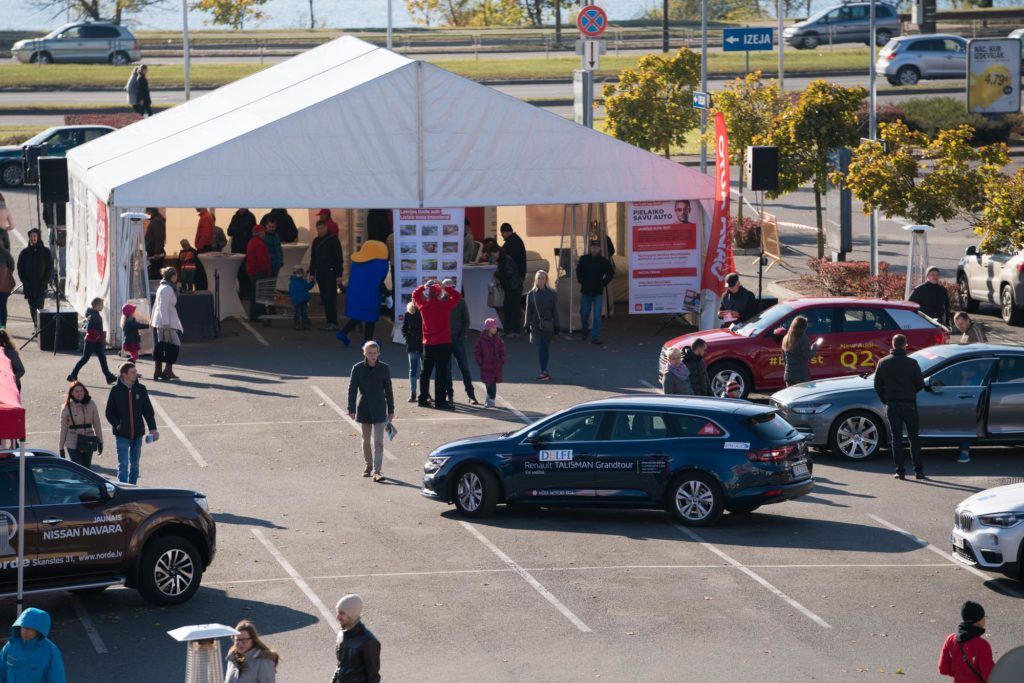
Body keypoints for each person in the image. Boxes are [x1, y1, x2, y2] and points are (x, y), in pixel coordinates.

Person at [874, 334, 926, 480]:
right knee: (913, 438)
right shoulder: (912, 363)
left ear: (892, 344)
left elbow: (877, 385)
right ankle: (919, 471)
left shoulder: (883, 363)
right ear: (905, 345)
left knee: (896, 438)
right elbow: (920, 385)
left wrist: (885, 399)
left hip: (892, 404)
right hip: (909, 404)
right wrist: (910, 392)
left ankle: (900, 471)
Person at [347, 342, 395, 482]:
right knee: (366, 440)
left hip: (380, 408)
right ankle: (368, 465)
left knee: (379, 442)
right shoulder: (357, 368)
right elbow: (352, 389)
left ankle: (377, 471)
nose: (373, 356)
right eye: (370, 353)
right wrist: (351, 409)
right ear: (365, 354)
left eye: (375, 353)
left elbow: (389, 391)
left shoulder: (384, 368)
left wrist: (391, 410)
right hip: (364, 408)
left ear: (378, 353)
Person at [413, 279, 462, 409]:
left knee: (425, 373)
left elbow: (415, 295)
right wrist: (446, 288)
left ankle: (422, 399)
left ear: (428, 295)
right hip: (443, 343)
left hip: (428, 344)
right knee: (440, 373)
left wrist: (423, 286)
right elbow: (458, 296)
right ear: (440, 295)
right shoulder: (444, 305)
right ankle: (440, 401)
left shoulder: (423, 306)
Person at [105, 362, 157, 485]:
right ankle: (123, 489)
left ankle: (132, 488)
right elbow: (109, 412)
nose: (136, 374)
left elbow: (148, 411)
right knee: (123, 465)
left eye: (135, 371)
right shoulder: (115, 390)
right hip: (122, 434)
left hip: (138, 434)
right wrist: (118, 425)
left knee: (135, 465)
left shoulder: (141, 389)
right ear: (124, 374)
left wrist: (153, 429)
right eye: (133, 372)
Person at [337, 241, 389, 346]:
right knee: (370, 318)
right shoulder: (379, 265)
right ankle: (367, 341)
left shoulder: (357, 264)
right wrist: (388, 294)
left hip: (355, 295)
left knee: (358, 315)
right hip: (370, 296)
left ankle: (343, 332)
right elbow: (379, 282)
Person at [0, 607, 66, 683]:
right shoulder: (10, 646)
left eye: (29, 628)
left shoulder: (51, 652)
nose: (25, 631)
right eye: (23, 627)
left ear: (39, 630)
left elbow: (57, 679)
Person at [939, 600, 994, 683]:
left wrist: (960, 675)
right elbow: (990, 675)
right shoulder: (982, 645)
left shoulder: (950, 639)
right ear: (978, 620)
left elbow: (943, 668)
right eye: (984, 617)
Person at [442, 278, 478, 405]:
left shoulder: (461, 301)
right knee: (446, 370)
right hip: (445, 341)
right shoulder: (440, 302)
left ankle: (471, 394)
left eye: (451, 286)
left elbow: (466, 321)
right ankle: (449, 395)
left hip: (457, 340)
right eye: (446, 287)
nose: (449, 289)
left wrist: (461, 337)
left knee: (464, 368)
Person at [67, 297, 116, 385]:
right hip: (91, 341)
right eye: (101, 305)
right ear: (97, 305)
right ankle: (72, 375)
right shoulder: (93, 315)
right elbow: (90, 329)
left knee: (102, 358)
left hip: (95, 342)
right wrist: (98, 336)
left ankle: (108, 376)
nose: (102, 307)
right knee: (85, 359)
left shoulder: (94, 314)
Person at [333, 594, 380, 683]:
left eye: (342, 613)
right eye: (337, 611)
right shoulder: (341, 635)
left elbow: (373, 677)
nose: (337, 617)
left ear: (352, 614)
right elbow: (339, 666)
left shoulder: (368, 641)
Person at [576, 239, 614, 345]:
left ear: (600, 249)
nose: (594, 249)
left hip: (598, 292)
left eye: (596, 248)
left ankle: (595, 337)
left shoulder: (604, 261)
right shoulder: (584, 259)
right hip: (586, 291)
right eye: (593, 247)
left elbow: (610, 273)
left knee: (597, 316)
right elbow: (578, 271)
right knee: (584, 313)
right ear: (590, 248)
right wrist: (581, 281)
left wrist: (603, 283)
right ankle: (584, 329)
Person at [59, 380, 103, 469]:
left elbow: (97, 424)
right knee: (79, 469)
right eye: (77, 391)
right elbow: (63, 428)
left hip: (88, 439)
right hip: (72, 441)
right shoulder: (66, 407)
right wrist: (61, 447)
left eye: (81, 391)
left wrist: (100, 441)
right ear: (72, 393)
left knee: (87, 469)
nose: (80, 393)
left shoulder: (92, 404)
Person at [524, 270, 559, 381]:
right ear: (535, 280)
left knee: (546, 348)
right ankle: (543, 371)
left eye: (543, 277)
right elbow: (528, 311)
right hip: (536, 325)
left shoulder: (552, 293)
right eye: (539, 278)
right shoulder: (531, 294)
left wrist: (557, 325)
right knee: (540, 348)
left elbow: (555, 311)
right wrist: (526, 325)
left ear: (546, 279)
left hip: (548, 325)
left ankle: (544, 370)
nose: (540, 280)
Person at [310, 219, 344, 331]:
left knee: (330, 298)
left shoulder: (333, 240)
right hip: (320, 273)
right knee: (324, 298)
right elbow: (313, 258)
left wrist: (339, 274)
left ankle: (333, 322)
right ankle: (329, 321)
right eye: (318, 229)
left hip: (330, 272)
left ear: (326, 227)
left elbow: (339, 258)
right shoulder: (315, 241)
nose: (320, 231)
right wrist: (312, 273)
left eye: (321, 228)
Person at [151, 267, 184, 381]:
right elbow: (162, 307)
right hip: (165, 321)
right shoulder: (167, 288)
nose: (176, 276)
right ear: (171, 276)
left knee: (162, 345)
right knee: (174, 344)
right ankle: (166, 370)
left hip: (163, 320)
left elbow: (156, 305)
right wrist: (165, 323)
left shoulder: (164, 286)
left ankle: (160, 370)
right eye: (175, 275)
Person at [16, 228, 52, 330]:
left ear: (38, 237)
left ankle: (39, 327)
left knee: (40, 307)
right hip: (29, 286)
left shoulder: (45, 252)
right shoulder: (25, 253)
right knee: (32, 308)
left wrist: (45, 281)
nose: (33, 238)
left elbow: (49, 267)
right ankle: (36, 325)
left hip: (41, 285)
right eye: (31, 236)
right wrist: (25, 282)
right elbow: (20, 268)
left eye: (35, 236)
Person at [499, 223, 526, 335]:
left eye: (502, 233)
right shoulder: (515, 241)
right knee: (511, 305)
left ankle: (515, 330)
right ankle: (511, 330)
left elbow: (509, 262)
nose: (502, 236)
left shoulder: (512, 243)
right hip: (516, 279)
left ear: (506, 231)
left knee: (512, 306)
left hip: (514, 280)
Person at [782, 315, 822, 387]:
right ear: (803, 327)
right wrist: (815, 346)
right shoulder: (803, 338)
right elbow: (808, 355)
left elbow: (784, 358)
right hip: (801, 376)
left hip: (789, 376)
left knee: (791, 397)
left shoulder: (786, 338)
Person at [474, 317, 505, 408]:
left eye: (495, 327)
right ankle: (489, 396)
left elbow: (502, 350)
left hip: (496, 365)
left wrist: (501, 360)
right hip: (486, 365)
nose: (495, 329)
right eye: (493, 327)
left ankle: (491, 398)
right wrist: (480, 361)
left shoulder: (498, 339)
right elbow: (477, 351)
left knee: (493, 382)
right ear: (488, 329)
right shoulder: (481, 340)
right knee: (488, 382)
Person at [246, 225, 272, 326]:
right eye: (263, 232)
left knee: (254, 294)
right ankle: (259, 315)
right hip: (259, 272)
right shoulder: (259, 244)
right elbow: (263, 260)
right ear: (260, 233)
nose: (264, 234)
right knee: (260, 294)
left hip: (252, 271)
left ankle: (254, 315)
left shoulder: (252, 242)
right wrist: (267, 270)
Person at [401, 301, 424, 403]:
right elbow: (404, 329)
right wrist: (408, 339)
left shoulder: (424, 311)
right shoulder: (408, 314)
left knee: (424, 371)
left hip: (423, 344)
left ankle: (425, 392)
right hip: (412, 345)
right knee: (412, 370)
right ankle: (413, 393)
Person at [495, 246, 521, 336]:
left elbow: (508, 273)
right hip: (511, 286)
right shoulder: (504, 259)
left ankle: (515, 331)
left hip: (513, 287)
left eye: (493, 254)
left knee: (513, 309)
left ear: (497, 252)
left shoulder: (506, 260)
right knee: (508, 309)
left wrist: (497, 274)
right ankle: (509, 330)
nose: (493, 256)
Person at [288, 266, 314, 331]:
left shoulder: (303, 281)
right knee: (297, 313)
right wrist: (294, 300)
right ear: (294, 273)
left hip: (304, 300)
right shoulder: (293, 283)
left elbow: (308, 287)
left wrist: (312, 282)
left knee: (304, 313)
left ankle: (304, 324)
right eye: (298, 272)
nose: (299, 274)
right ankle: (297, 324)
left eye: (300, 272)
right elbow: (292, 293)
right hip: (297, 301)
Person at [144, 208, 166, 280]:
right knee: (155, 273)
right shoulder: (156, 220)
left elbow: (158, 237)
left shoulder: (156, 221)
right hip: (154, 253)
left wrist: (157, 252)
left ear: (150, 211)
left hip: (155, 254)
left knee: (155, 274)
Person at [0, 242, 14, 329]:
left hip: (3, 286)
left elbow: (11, 266)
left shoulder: (5, 253)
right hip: (3, 285)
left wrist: (6, 276)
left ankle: (2, 327)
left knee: (2, 306)